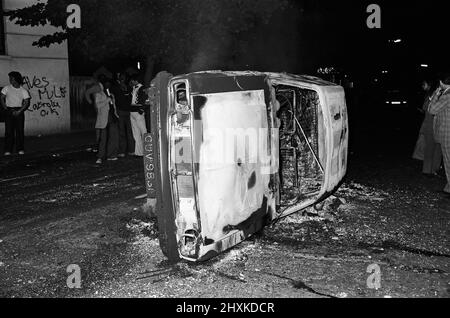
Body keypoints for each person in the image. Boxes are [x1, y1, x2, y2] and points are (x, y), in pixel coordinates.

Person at [85, 77, 119, 164]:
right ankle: (100, 157)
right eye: (106, 84)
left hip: (112, 118)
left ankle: (111, 155)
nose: (108, 86)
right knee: (102, 139)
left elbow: (113, 106)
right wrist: (107, 100)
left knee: (113, 138)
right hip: (103, 120)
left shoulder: (110, 93)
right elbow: (98, 105)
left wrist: (115, 112)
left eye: (109, 84)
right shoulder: (98, 94)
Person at [413, 78, 442, 175]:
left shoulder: (433, 95)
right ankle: (432, 170)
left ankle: (428, 170)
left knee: (431, 148)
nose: (422, 86)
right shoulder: (435, 95)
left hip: (431, 125)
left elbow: (427, 108)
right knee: (435, 148)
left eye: (424, 84)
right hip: (434, 124)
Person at [428, 73, 450, 196]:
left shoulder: (447, 95)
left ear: (441, 82)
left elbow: (432, 110)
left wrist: (436, 94)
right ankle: (448, 188)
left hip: (448, 132)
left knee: (448, 161)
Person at [1, 71, 31, 156]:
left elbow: (26, 102)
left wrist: (19, 111)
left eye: (12, 78)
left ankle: (20, 149)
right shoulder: (6, 88)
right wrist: (5, 108)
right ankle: (8, 150)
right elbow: (1, 97)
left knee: (19, 131)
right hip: (9, 110)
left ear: (16, 79)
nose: (10, 80)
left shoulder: (23, 90)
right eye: (10, 78)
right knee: (9, 131)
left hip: (19, 111)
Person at [110, 73, 135, 157]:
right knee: (128, 132)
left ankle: (123, 151)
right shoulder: (127, 88)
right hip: (126, 111)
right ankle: (130, 150)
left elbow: (112, 98)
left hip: (122, 111)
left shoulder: (116, 88)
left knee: (123, 132)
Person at [129, 75, 147, 157]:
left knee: (143, 131)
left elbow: (145, 99)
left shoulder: (142, 88)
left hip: (138, 111)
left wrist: (142, 109)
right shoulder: (133, 88)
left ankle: (147, 151)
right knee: (136, 133)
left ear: (135, 81)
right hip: (132, 111)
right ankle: (139, 152)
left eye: (132, 81)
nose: (131, 82)